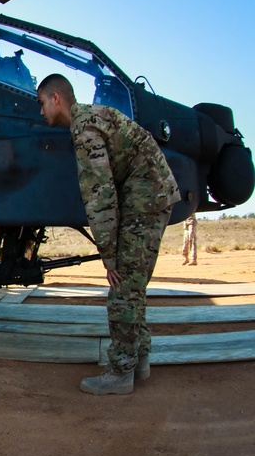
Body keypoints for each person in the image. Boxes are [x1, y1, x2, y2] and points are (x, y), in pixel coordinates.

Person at [37, 74, 180, 395]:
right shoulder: (92, 116)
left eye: (42, 103)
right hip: (152, 193)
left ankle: (120, 372)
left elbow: (99, 196)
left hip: (145, 196)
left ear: (56, 98)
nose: (41, 111)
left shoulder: (84, 130)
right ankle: (138, 360)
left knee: (123, 286)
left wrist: (109, 256)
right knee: (133, 284)